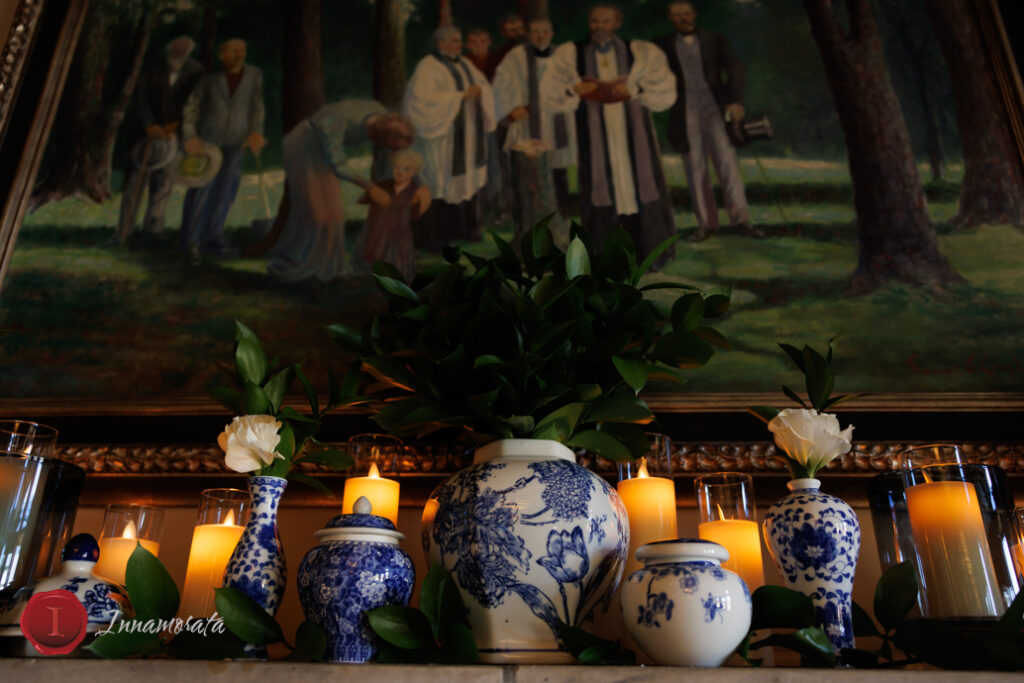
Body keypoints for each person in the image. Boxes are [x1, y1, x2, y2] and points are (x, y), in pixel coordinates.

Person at [541, 4, 677, 260]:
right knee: (600, 189)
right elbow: (550, 93)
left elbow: (665, 90)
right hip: (594, 135)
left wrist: (634, 89)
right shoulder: (571, 54)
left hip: (633, 135)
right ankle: (606, 257)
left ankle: (649, 254)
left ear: (617, 22)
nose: (600, 27)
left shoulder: (639, 52)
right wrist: (574, 90)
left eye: (606, 22)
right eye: (594, 22)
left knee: (640, 185)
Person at [264, 101, 414, 283]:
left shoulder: (379, 112)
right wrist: (369, 186)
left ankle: (331, 269)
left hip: (322, 154)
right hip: (303, 148)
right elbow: (336, 162)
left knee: (335, 213)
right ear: (379, 135)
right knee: (319, 213)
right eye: (384, 143)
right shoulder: (336, 122)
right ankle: (300, 264)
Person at [653, 1, 762, 241]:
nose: (683, 18)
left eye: (687, 13)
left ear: (695, 14)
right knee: (694, 166)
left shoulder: (715, 39)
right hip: (684, 110)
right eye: (677, 15)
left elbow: (734, 68)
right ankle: (706, 223)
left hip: (715, 106)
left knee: (727, 162)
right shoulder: (661, 45)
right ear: (670, 18)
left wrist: (736, 101)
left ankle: (741, 219)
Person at [403, 26, 496, 250]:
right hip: (442, 138)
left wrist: (481, 92)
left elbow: (483, 85)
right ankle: (435, 239)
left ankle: (467, 230)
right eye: (454, 41)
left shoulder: (465, 63)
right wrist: (460, 96)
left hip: (468, 136)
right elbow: (420, 102)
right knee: (440, 184)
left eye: (459, 40)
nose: (459, 45)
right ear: (440, 43)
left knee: (467, 183)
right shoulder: (428, 67)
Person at [179, 38, 265, 265]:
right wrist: (190, 137)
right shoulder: (208, 79)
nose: (239, 55)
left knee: (226, 191)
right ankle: (190, 242)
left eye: (242, 51)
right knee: (201, 190)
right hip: (208, 143)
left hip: (237, 143)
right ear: (221, 54)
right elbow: (191, 108)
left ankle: (214, 237)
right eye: (233, 51)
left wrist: (256, 132)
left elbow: (257, 107)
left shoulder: (254, 75)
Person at [494, 17, 577, 244]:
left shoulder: (563, 55)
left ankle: (559, 231)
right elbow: (501, 85)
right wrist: (512, 109)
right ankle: (528, 230)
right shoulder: (516, 57)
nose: (540, 35)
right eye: (536, 31)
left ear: (551, 32)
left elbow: (573, 84)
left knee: (556, 175)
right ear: (529, 34)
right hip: (527, 122)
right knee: (528, 176)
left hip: (554, 120)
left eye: (544, 31)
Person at [115, 36, 203, 243]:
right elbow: (141, 98)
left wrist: (177, 125)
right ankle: (124, 230)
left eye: (185, 48)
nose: (180, 50)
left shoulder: (196, 71)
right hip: (146, 136)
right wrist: (150, 124)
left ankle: (153, 229)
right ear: (170, 47)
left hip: (174, 135)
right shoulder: (153, 67)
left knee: (163, 184)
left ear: (189, 51)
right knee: (135, 183)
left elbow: (196, 103)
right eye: (177, 46)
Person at [357, 149, 431, 281]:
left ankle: (396, 279)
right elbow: (364, 200)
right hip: (379, 228)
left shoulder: (416, 190)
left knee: (397, 259)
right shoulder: (384, 185)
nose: (400, 171)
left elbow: (417, 214)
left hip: (400, 232)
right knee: (376, 253)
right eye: (397, 167)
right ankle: (374, 277)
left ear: (414, 171)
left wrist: (417, 202)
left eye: (406, 169)